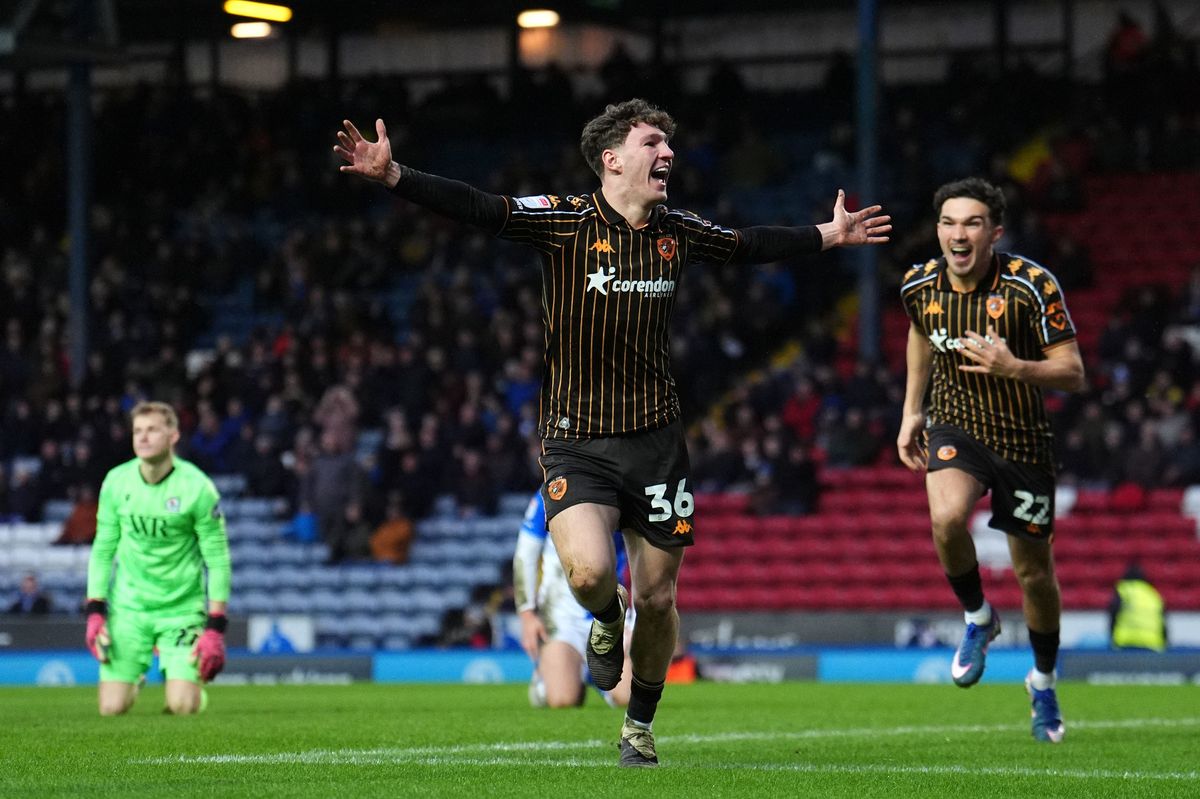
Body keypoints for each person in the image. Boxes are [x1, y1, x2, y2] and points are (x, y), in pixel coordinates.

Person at [335, 98, 890, 766]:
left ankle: (639, 725)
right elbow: (481, 206)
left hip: (656, 445)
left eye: (669, 144)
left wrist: (826, 237)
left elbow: (747, 245)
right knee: (592, 571)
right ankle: (603, 617)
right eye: (655, 142)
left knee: (657, 599)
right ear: (612, 159)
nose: (669, 154)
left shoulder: (675, 230)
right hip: (578, 439)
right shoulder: (565, 221)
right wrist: (398, 177)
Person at [896, 177, 1085, 744]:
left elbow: (1073, 372)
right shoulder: (919, 284)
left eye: (972, 223)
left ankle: (1043, 681)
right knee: (947, 517)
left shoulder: (1031, 286)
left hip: (1024, 443)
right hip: (955, 424)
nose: (959, 233)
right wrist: (911, 411)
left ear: (994, 233)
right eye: (950, 223)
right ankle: (978, 616)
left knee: (1034, 574)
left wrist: (1017, 368)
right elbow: (921, 336)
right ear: (938, 230)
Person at [84, 401, 232, 716]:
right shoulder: (116, 482)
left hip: (180, 609)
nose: (143, 437)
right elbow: (103, 548)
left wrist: (215, 626)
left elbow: (217, 558)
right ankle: (134, 676)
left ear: (173, 435)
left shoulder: (197, 488)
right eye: (137, 430)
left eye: (152, 430)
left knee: (182, 705)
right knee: (111, 708)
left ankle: (188, 690)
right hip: (129, 608)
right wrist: (95, 611)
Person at [513, 490, 632, 709]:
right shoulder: (550, 491)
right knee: (563, 700)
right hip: (563, 618)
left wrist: (639, 618)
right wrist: (527, 613)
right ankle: (552, 675)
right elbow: (526, 552)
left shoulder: (622, 487)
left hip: (613, 615)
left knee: (629, 698)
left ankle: (598, 678)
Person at [1109, 561, 1167, 652]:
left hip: (1126, 642)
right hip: (1152, 645)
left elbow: (1113, 613)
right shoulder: (1153, 594)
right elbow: (1164, 622)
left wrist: (1111, 638)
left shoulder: (1123, 589)